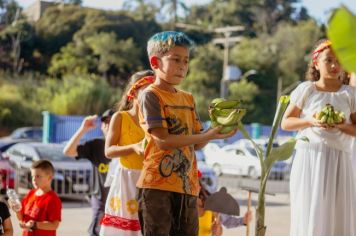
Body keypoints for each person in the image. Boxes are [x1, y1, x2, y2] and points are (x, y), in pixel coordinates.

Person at [136, 31, 237, 236]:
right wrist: (207, 135)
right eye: (175, 59)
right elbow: (163, 140)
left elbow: (197, 143)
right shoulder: (150, 96)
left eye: (186, 60)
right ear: (155, 62)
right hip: (157, 186)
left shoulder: (188, 98)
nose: (183, 66)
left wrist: (215, 132)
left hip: (188, 187)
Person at [281, 39, 356, 236]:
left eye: (338, 61)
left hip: (340, 161)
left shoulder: (350, 94)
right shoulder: (307, 89)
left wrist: (342, 125)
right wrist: (310, 122)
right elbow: (286, 122)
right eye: (328, 60)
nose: (334, 65)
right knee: (309, 213)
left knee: (338, 213)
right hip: (309, 159)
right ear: (316, 63)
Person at [99, 70, 155, 236]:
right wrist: (133, 147)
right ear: (134, 93)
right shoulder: (120, 117)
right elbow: (108, 151)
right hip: (127, 182)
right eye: (147, 92)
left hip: (151, 182)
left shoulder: (157, 122)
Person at [63, 109, 114, 236]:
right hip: (100, 198)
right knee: (96, 231)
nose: (107, 125)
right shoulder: (96, 145)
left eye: (112, 121)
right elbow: (68, 151)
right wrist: (83, 129)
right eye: (105, 122)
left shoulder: (126, 145)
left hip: (119, 200)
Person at [9, 160, 62, 236]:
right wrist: (17, 209)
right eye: (32, 176)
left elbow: (54, 225)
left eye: (38, 176)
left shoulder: (53, 199)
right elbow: (22, 218)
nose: (34, 179)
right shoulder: (31, 194)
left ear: (49, 177)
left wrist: (35, 224)